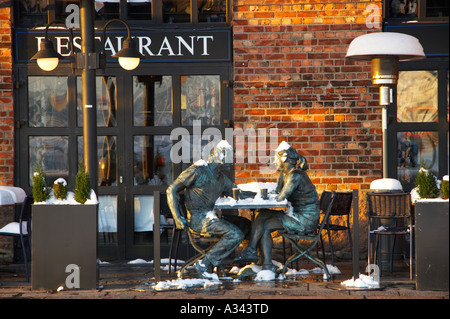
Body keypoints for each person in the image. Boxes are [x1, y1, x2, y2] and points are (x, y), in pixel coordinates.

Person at [167, 140, 253, 278]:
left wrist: (262, 194)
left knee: (247, 225)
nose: (230, 162)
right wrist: (177, 217)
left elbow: (238, 193)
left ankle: (252, 259)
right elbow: (171, 189)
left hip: (213, 216)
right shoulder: (197, 171)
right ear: (219, 156)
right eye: (228, 157)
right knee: (235, 234)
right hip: (199, 219)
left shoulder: (222, 178)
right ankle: (205, 263)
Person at [234, 142, 320, 272]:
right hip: (297, 215)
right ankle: (258, 256)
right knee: (262, 216)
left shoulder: (294, 176)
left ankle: (260, 258)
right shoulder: (289, 173)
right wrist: (282, 173)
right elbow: (279, 190)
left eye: (277, 158)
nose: (274, 161)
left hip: (304, 221)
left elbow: (281, 197)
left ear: (284, 159)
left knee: (264, 223)